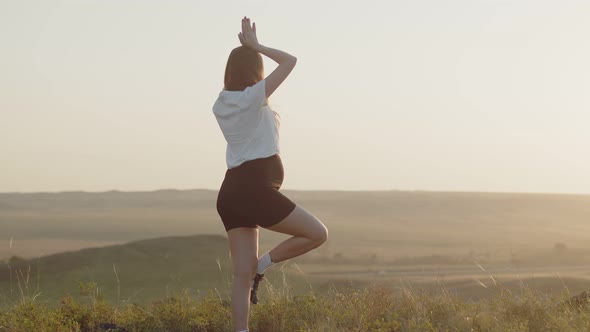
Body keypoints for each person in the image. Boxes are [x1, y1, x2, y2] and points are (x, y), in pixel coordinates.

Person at [212, 16, 329, 332]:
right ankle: (264, 265)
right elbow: (290, 61)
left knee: (240, 275)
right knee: (318, 233)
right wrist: (258, 46)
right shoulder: (252, 98)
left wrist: (251, 50)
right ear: (255, 70)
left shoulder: (221, 103)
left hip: (232, 192)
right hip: (254, 189)